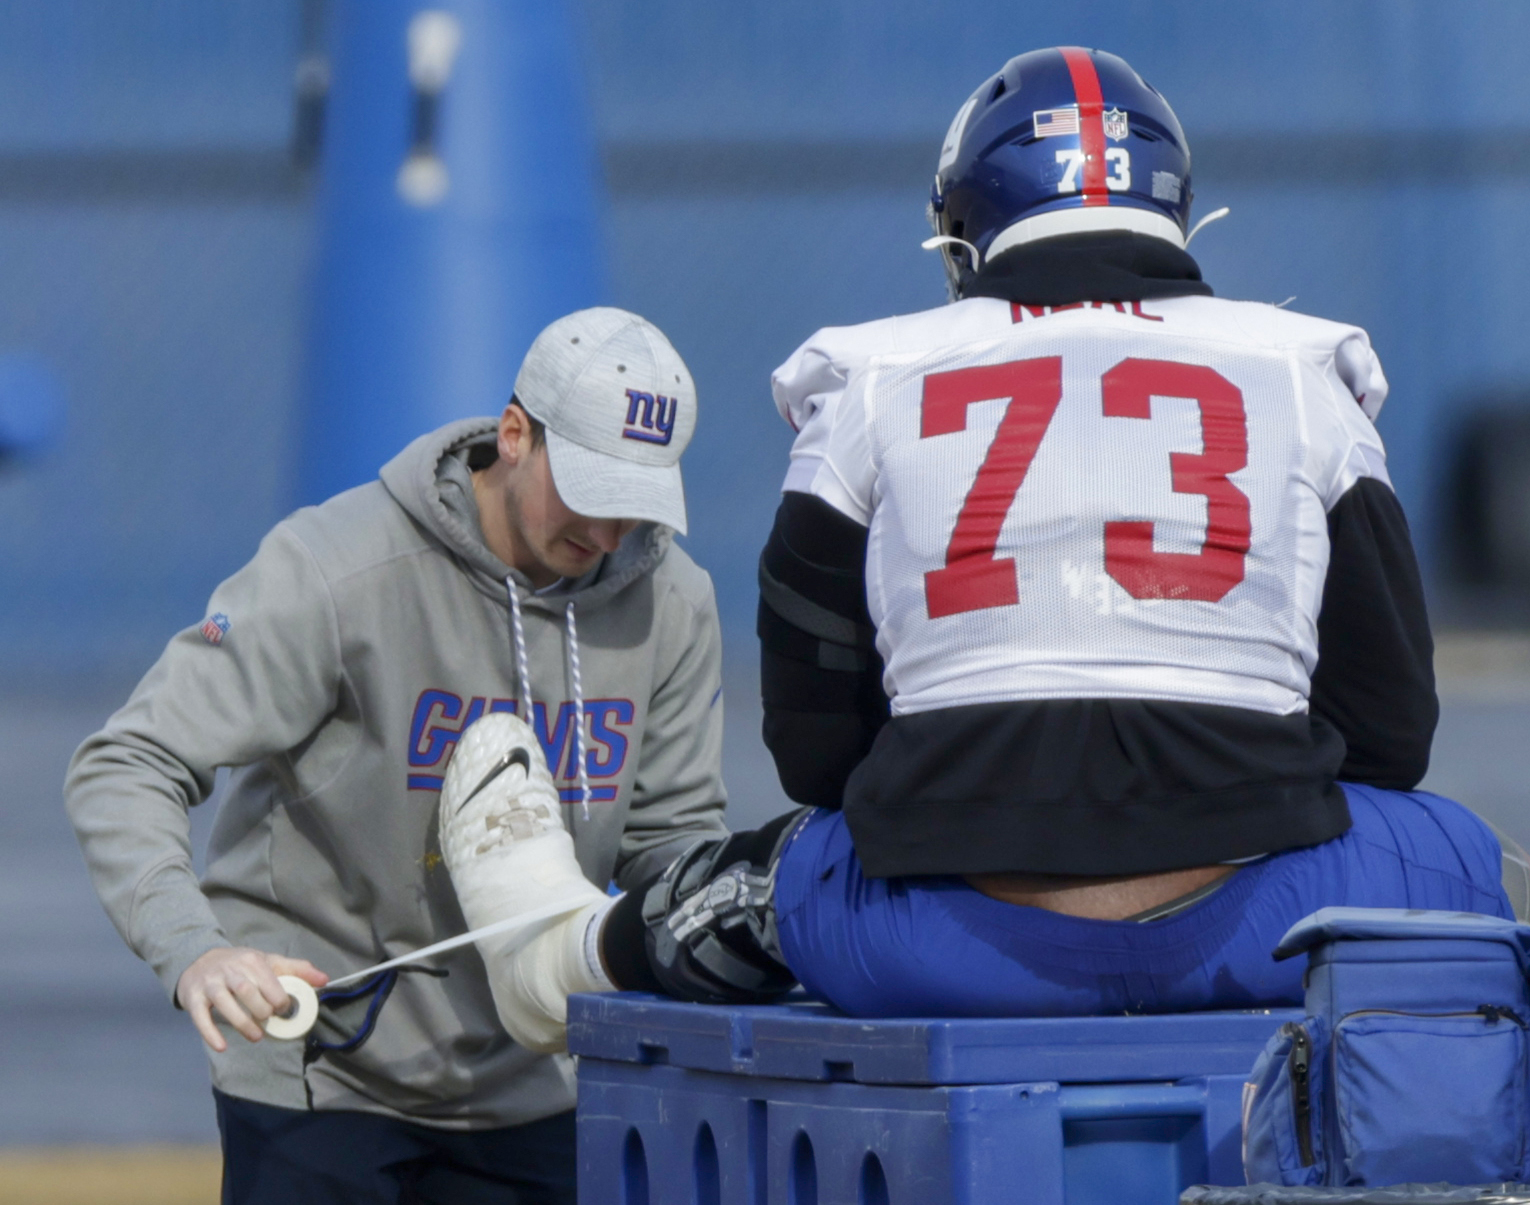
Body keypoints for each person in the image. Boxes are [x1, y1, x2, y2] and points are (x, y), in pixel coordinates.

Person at [433, 48, 1516, 1047]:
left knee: (806, 862)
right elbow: (1390, 733)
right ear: (1180, 210)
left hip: (950, 943)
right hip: (1264, 931)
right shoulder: (1302, 372)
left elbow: (821, 761)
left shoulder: (865, 383)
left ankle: (563, 956)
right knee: (1459, 849)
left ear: (961, 229)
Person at [65, 307, 729, 1204]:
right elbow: (127, 759)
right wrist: (197, 950)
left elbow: (670, 836)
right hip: (322, 1074)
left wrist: (725, 904)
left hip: (537, 1082)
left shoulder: (674, 601)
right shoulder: (336, 570)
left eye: (638, 504)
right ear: (515, 436)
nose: (610, 535)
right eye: (590, 491)